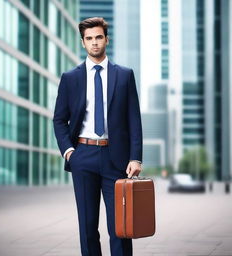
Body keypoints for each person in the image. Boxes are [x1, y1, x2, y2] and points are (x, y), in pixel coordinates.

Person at [53, 17, 142, 256]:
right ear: (83, 42)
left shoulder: (124, 75)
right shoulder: (70, 78)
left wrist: (136, 157)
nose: (94, 43)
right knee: (88, 227)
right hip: (83, 156)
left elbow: (134, 119)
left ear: (106, 39)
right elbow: (59, 119)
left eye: (99, 37)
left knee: (121, 228)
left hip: (117, 159)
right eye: (89, 38)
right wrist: (69, 152)